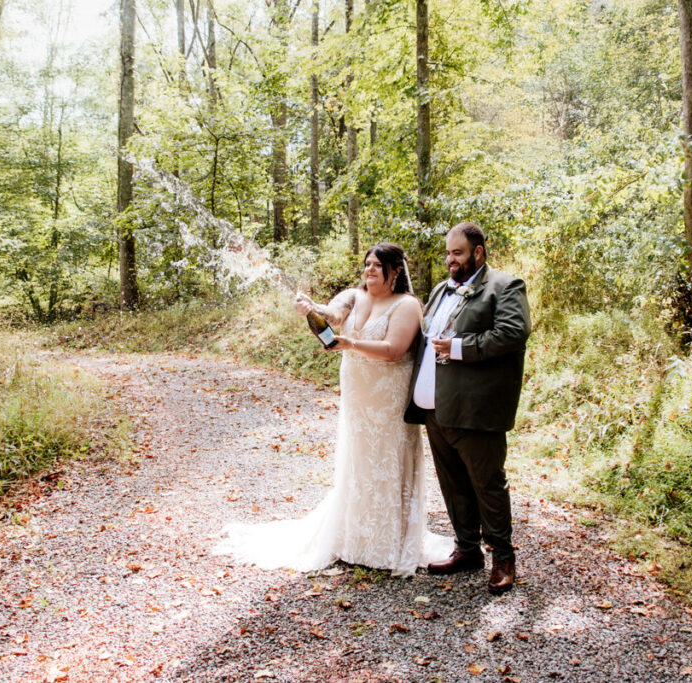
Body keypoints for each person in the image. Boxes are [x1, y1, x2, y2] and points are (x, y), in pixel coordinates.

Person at [214, 243, 453, 576]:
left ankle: (388, 541)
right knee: (358, 460)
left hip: (389, 397)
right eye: (367, 264)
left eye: (377, 265)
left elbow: (394, 350)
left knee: (387, 457)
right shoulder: (354, 296)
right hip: (357, 393)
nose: (369, 270)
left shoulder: (407, 305)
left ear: (396, 270)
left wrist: (350, 343)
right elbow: (332, 314)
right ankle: (353, 537)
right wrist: (311, 307)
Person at [405, 222, 531, 594]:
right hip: (435, 407)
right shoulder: (442, 290)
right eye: (448, 253)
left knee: (487, 484)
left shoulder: (505, 287)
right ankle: (467, 550)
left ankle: (503, 558)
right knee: (454, 484)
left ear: (478, 252)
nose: (450, 260)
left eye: (457, 253)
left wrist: (459, 347)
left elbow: (512, 333)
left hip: (475, 410)